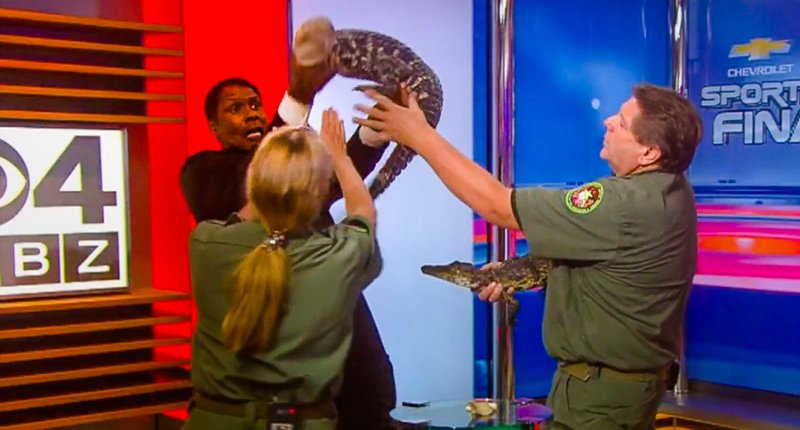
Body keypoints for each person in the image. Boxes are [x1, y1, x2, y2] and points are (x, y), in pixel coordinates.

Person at [354, 83, 703, 429]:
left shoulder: (624, 204)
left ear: (649, 153)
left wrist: (419, 136)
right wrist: (514, 273)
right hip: (619, 392)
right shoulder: (672, 192)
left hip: (599, 400)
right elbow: (618, 270)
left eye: (623, 122)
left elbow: (497, 205)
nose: (608, 121)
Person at [179, 60, 397, 428]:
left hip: (341, 393)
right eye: (235, 108)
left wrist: (369, 137)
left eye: (254, 104)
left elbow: (301, 184)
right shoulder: (204, 172)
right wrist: (299, 109)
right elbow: (288, 185)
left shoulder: (205, 244)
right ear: (214, 127)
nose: (250, 114)